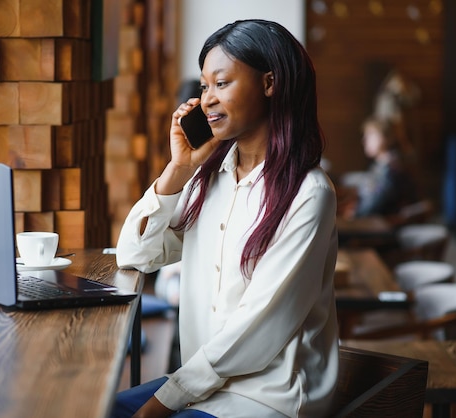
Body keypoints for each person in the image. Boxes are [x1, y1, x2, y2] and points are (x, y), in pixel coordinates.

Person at [113, 19, 339, 418]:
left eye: (222, 83)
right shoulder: (208, 177)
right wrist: (177, 172)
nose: (206, 100)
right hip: (202, 387)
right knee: (104, 409)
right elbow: (135, 255)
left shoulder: (309, 194)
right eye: (203, 86)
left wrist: (163, 402)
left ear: (270, 83)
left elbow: (256, 329)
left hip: (267, 397)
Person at [339, 116, 419, 219]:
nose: (364, 140)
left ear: (387, 137)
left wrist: (354, 214)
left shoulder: (391, 168)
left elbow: (374, 205)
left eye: (371, 135)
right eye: (365, 135)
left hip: (386, 226)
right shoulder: (382, 166)